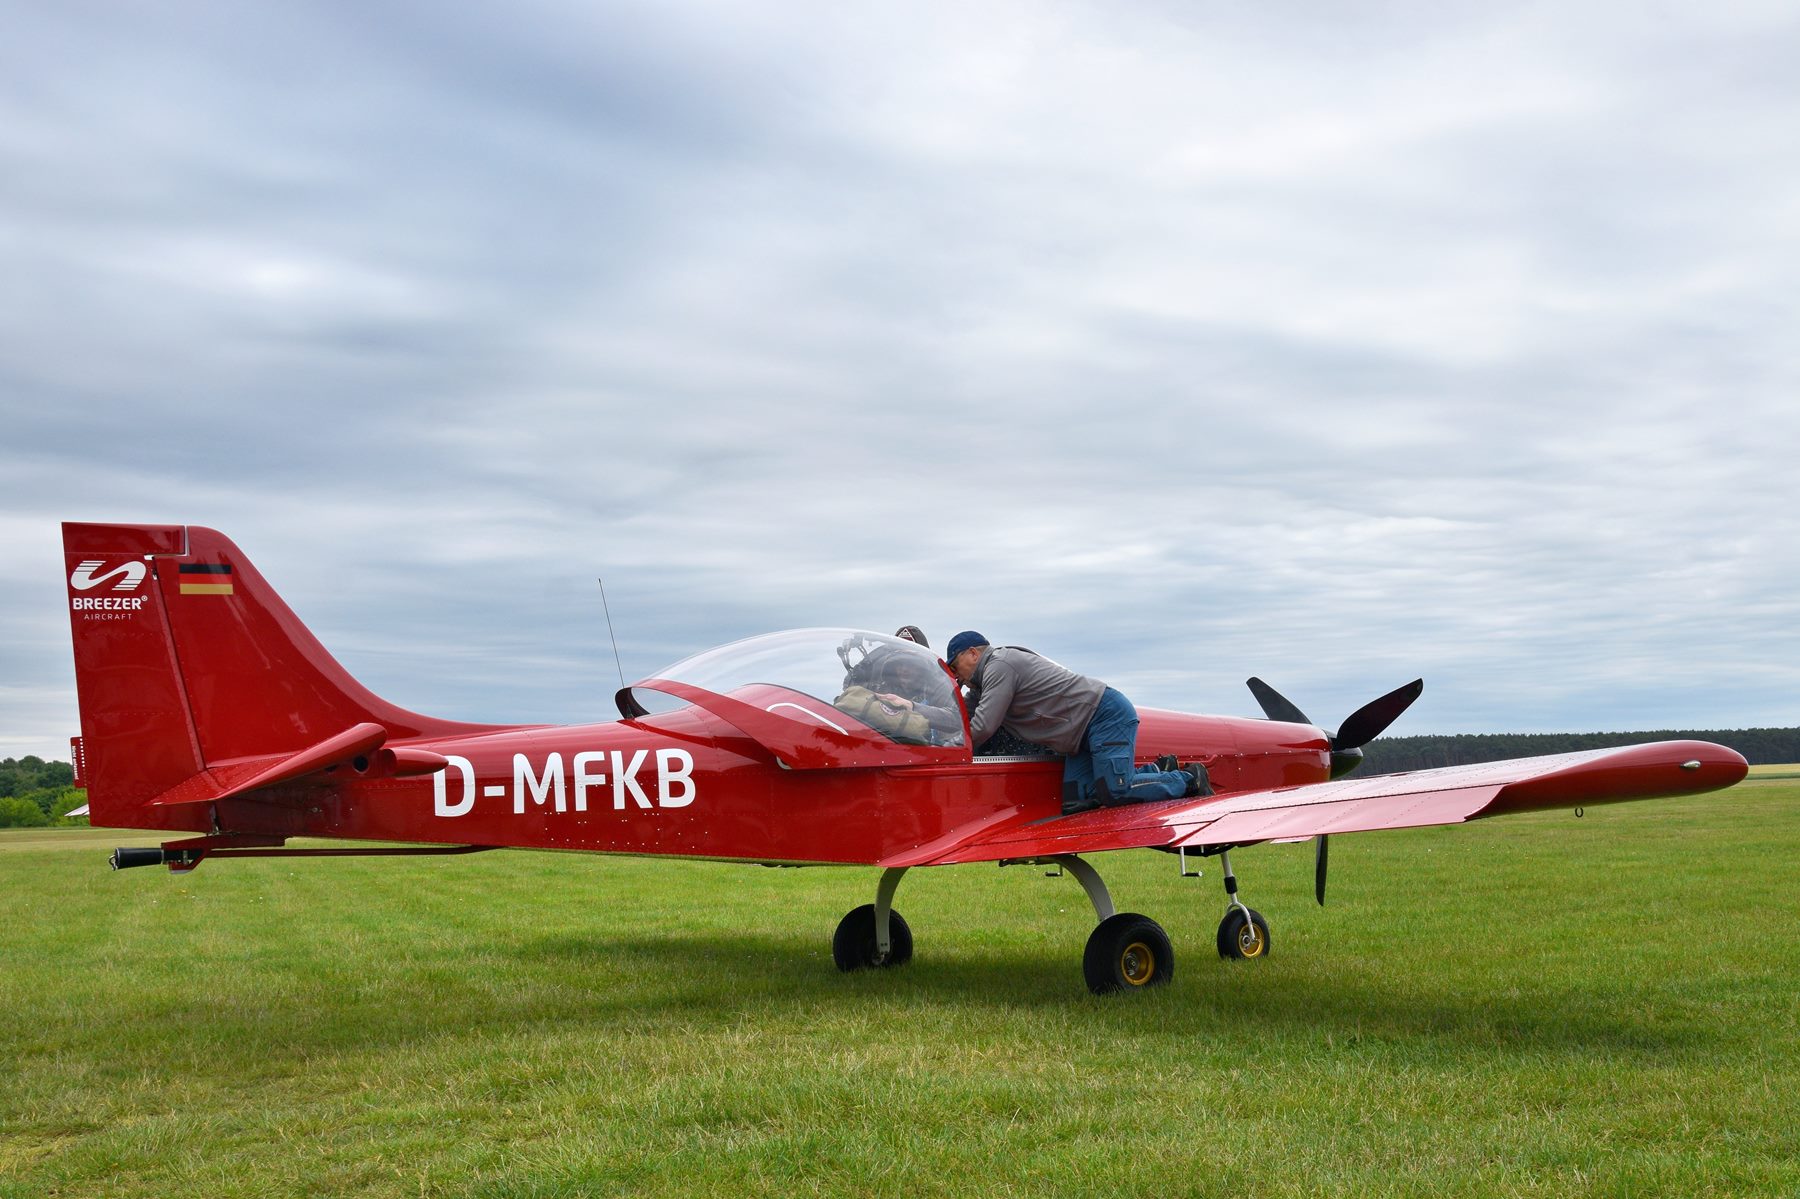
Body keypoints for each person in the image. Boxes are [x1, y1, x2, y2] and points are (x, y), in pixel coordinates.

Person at [944, 630, 1203, 815]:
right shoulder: (981, 684)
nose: (957, 677)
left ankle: (1189, 778)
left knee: (1115, 793)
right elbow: (962, 718)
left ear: (973, 654)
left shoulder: (1000, 666)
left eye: (955, 668)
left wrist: (949, 749)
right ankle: (1157, 771)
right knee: (1077, 799)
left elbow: (982, 728)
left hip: (1102, 714)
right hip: (1079, 734)